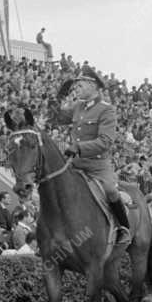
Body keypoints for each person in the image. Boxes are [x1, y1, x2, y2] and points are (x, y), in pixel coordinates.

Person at [55, 66, 130, 244]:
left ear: (92, 85)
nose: (76, 89)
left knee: (111, 191)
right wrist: (59, 98)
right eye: (76, 86)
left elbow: (105, 141)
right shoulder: (77, 107)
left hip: (97, 166)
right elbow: (56, 117)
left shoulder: (106, 109)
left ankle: (123, 227)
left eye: (80, 85)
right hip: (75, 164)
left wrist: (78, 147)